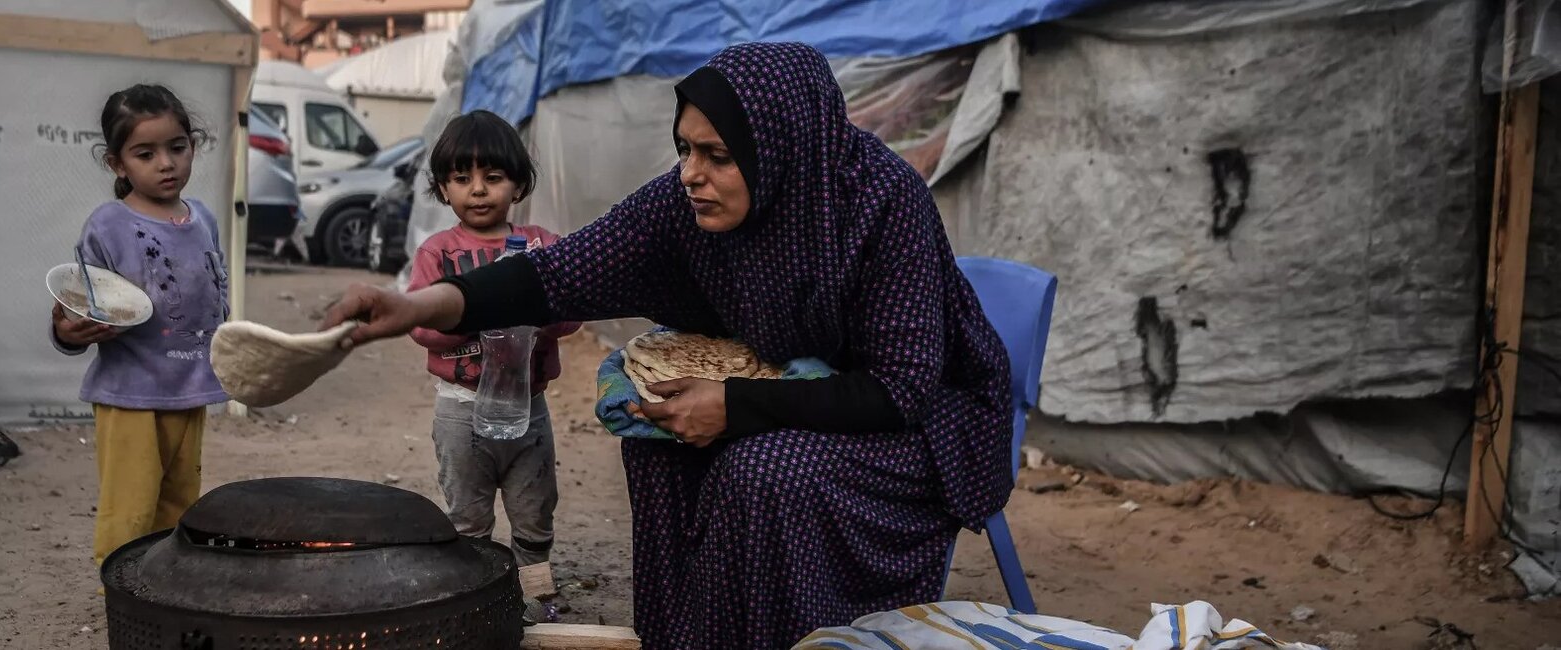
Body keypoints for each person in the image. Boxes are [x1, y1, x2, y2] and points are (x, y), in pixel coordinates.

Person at [324, 43, 1014, 648]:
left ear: (779, 148)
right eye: (685, 148)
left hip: (922, 421)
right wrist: (413, 304)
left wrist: (735, 406)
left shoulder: (880, 205)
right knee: (659, 444)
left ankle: (802, 639)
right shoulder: (682, 207)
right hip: (794, 388)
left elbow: (902, 388)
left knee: (763, 472)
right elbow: (554, 275)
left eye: (717, 155)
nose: (690, 172)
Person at [50, 84, 231, 569]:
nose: (166, 163)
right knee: (129, 507)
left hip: (191, 385)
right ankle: (122, 590)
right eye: (145, 153)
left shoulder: (205, 219)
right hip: (130, 391)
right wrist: (67, 332)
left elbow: (213, 294)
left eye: (177, 147)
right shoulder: (108, 225)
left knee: (178, 502)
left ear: (193, 145)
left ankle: (162, 583)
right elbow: (78, 303)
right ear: (117, 164)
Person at [408, 110, 580, 574]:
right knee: (467, 519)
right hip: (461, 410)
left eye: (494, 176)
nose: (478, 189)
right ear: (443, 188)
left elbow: (572, 313)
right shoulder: (437, 254)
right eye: (462, 178)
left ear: (519, 184)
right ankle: (477, 599)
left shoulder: (543, 247)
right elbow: (420, 328)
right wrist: (476, 314)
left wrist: (536, 319)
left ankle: (534, 598)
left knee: (535, 513)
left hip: (529, 410)